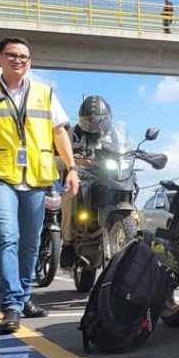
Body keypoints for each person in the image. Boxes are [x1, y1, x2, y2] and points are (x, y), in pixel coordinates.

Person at [0, 37, 79, 333]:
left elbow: (59, 132)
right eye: (11, 55)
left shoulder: (44, 93)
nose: (18, 60)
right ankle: (11, 304)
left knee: (31, 242)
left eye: (24, 57)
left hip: (37, 176)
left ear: (30, 62)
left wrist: (72, 168)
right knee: (6, 236)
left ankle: (24, 296)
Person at [61, 95, 113, 257]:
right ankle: (67, 244)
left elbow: (124, 148)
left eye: (98, 121)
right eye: (88, 122)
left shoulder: (112, 135)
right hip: (81, 177)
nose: (93, 126)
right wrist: (76, 160)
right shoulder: (73, 133)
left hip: (106, 177)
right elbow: (62, 152)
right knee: (71, 195)